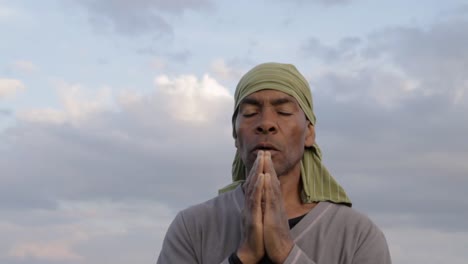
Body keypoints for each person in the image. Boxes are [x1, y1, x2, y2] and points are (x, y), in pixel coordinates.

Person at [156, 62, 391, 264]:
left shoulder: (357, 235)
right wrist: (243, 256)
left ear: (309, 133)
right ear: (236, 136)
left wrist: (285, 251)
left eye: (284, 111)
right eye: (249, 113)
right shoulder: (193, 227)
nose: (266, 123)